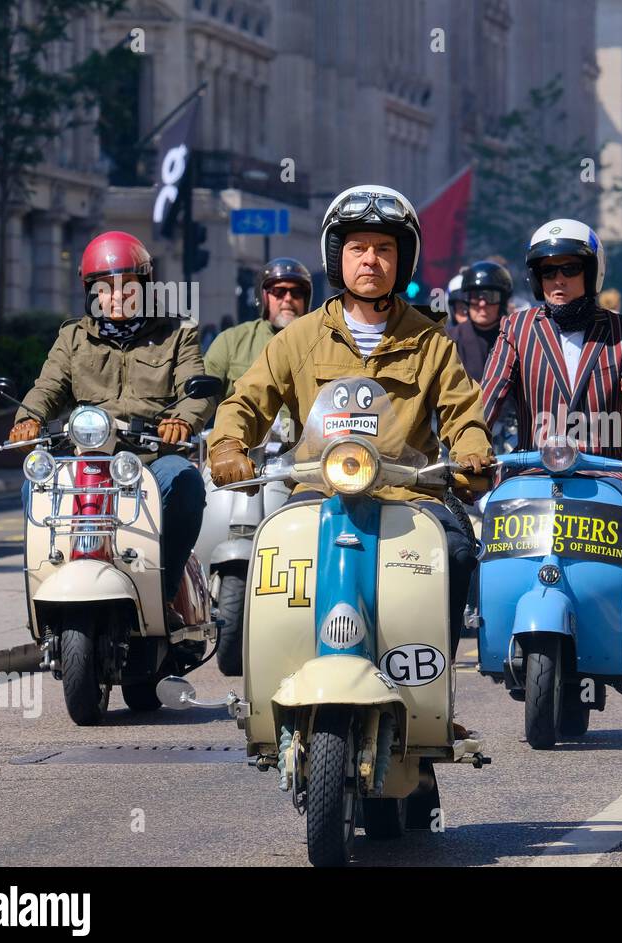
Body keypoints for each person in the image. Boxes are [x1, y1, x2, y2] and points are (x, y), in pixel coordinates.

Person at [206, 185, 492, 668]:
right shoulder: (298, 338)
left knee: (459, 553)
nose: (371, 261)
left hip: (408, 497)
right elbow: (247, 401)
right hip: (317, 492)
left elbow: (464, 413)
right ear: (337, 257)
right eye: (358, 248)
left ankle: (431, 689)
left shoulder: (431, 341)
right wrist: (229, 446)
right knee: (270, 560)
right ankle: (276, 682)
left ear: (404, 260)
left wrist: (472, 453)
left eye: (384, 249)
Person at [7, 231, 212, 623]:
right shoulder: (73, 337)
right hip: (87, 458)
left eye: (127, 287)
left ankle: (164, 596)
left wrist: (182, 421)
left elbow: (195, 389)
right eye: (105, 288)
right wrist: (28, 419)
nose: (117, 297)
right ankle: (47, 586)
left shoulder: (176, 333)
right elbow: (47, 386)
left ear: (145, 287)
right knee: (34, 488)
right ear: (91, 293)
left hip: (151, 458)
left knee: (185, 480)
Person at [480, 219, 622, 498]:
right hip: (533, 475)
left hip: (604, 478)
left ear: (592, 272)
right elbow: (491, 393)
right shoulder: (516, 328)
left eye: (570, 268)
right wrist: (470, 446)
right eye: (548, 271)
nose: (559, 279)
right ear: (536, 278)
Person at [205, 257, 313, 401]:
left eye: (297, 292)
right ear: (263, 297)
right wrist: (184, 421)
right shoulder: (231, 341)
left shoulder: (323, 343)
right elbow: (203, 397)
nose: (288, 298)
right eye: (278, 291)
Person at [447, 260, 513, 382]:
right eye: (476, 296)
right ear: (466, 299)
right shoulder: (450, 341)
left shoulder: (515, 339)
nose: (482, 304)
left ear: (502, 301)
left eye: (491, 296)